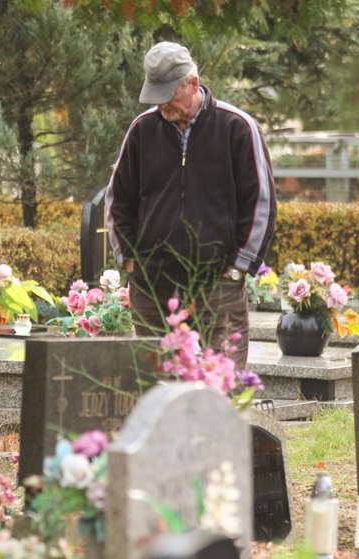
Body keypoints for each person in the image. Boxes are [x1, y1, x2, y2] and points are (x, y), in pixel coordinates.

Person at [106, 42, 276, 371]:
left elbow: (261, 203)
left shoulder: (237, 128)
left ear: (194, 84)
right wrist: (129, 261)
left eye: (169, 93)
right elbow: (118, 200)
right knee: (157, 392)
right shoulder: (142, 130)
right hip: (153, 290)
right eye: (155, 94)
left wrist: (237, 267)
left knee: (221, 390)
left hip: (218, 286)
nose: (161, 103)